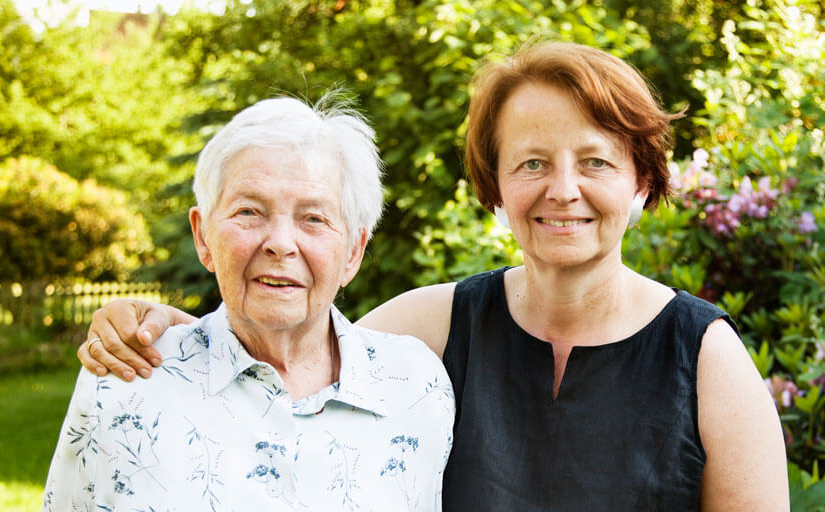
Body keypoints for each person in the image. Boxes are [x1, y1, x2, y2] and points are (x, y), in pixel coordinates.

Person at [78, 41, 789, 510]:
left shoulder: (705, 360)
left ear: (642, 182)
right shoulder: (432, 328)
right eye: (532, 163)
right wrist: (160, 325)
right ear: (495, 185)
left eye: (596, 161)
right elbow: (282, 362)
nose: (563, 190)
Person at [44, 94, 455, 511]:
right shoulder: (125, 380)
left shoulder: (418, 388)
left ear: (353, 251)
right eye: (249, 212)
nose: (279, 243)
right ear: (204, 236)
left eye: (313, 218)